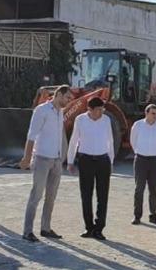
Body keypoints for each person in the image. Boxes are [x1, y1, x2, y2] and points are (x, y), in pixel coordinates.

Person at [20, 85, 73, 242]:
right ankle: (27, 231)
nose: (69, 101)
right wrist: (26, 158)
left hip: (56, 161)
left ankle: (45, 227)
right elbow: (31, 135)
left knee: (51, 196)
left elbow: (60, 136)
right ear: (59, 95)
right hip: (42, 159)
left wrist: (62, 157)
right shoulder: (41, 110)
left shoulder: (60, 112)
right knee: (36, 195)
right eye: (68, 97)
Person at [67, 97, 114, 240]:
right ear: (90, 109)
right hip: (85, 160)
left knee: (102, 195)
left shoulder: (106, 120)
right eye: (98, 110)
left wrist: (110, 161)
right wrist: (70, 160)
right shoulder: (80, 120)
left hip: (102, 160)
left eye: (102, 109)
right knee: (86, 195)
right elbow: (74, 140)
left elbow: (110, 140)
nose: (101, 112)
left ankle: (99, 228)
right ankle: (89, 228)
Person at [130, 104, 156, 226]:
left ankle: (153, 215)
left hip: (155, 160)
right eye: (153, 113)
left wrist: (152, 152)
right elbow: (133, 141)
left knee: (154, 189)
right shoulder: (138, 125)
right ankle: (137, 216)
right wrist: (140, 152)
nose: (155, 116)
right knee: (139, 188)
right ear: (146, 113)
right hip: (141, 160)